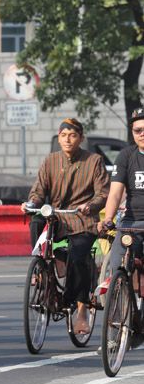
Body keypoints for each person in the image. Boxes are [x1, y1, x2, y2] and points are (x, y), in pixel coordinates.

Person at [22, 117, 109, 334]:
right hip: (58, 217)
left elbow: (103, 193)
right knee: (35, 221)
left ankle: (81, 311)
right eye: (63, 135)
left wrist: (91, 205)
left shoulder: (94, 161)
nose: (68, 139)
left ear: (81, 138)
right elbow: (39, 190)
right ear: (58, 138)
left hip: (83, 220)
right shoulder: (51, 160)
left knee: (78, 256)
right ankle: (40, 267)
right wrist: (31, 204)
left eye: (72, 135)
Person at [99, 108, 144, 290]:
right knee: (117, 265)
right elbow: (115, 193)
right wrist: (108, 219)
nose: (142, 134)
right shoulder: (126, 155)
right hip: (130, 223)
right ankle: (121, 310)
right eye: (137, 130)